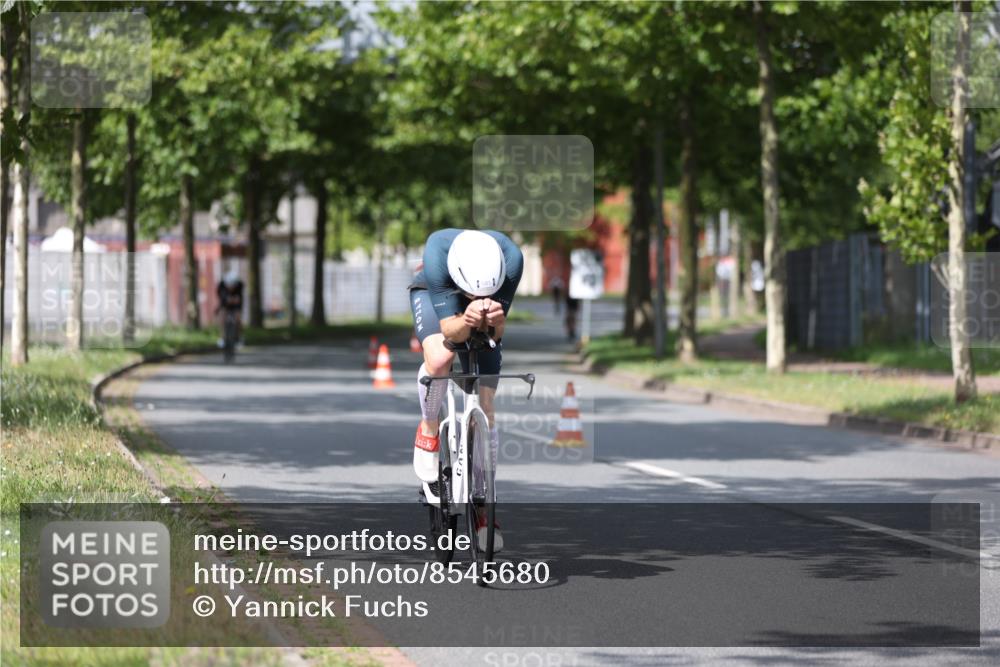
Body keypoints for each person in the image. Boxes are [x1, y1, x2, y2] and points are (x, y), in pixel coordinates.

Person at [409, 229, 523, 551]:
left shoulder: (512, 260)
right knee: (441, 357)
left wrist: (493, 320)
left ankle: (484, 507)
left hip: (482, 294)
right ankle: (429, 427)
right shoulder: (437, 254)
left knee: (486, 402)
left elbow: (496, 333)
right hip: (434, 296)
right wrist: (467, 318)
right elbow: (449, 330)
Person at [216, 269, 244, 347]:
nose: (231, 288)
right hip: (225, 303)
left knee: (238, 318)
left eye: (233, 286)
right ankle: (222, 338)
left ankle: (239, 338)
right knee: (222, 316)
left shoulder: (240, 285)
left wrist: (235, 301)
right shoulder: (221, 285)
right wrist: (227, 300)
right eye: (230, 286)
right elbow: (221, 298)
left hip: (236, 305)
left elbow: (240, 299)